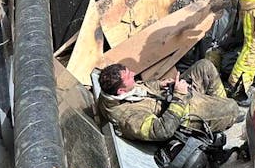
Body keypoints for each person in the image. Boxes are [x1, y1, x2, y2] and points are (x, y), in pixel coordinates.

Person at [96, 59, 242, 142]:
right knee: (233, 108)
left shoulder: (112, 93)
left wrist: (159, 84)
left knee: (205, 67)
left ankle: (216, 111)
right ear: (121, 90)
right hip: (179, 116)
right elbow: (161, 131)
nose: (134, 74)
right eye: (129, 76)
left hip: (170, 97)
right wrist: (179, 97)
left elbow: (140, 89)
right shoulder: (127, 118)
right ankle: (225, 116)